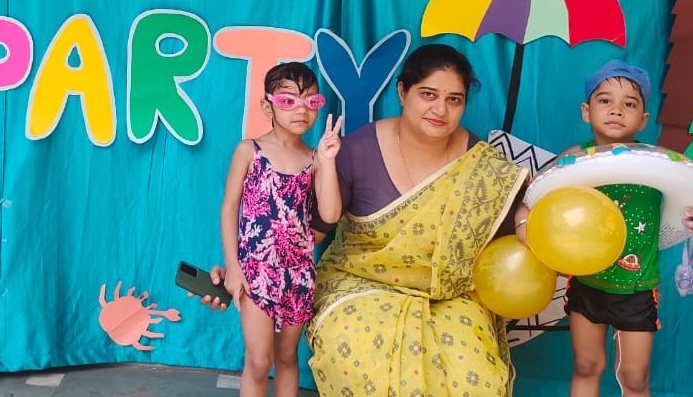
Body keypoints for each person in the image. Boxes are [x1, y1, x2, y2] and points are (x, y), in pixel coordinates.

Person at [203, 44, 528, 396]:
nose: (440, 110)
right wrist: (237, 268)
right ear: (402, 91)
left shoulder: (480, 165)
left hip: (447, 298)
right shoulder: (355, 150)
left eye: (454, 99)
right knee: (351, 357)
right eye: (428, 95)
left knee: (474, 376)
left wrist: (528, 218)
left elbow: (517, 207)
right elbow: (303, 230)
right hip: (359, 286)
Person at [534, 60, 693, 397]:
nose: (616, 110)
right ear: (586, 111)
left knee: (635, 377)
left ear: (643, 119)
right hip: (587, 284)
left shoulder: (658, 163)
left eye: (629, 104)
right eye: (605, 100)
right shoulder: (573, 159)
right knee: (586, 365)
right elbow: (536, 198)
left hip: (637, 289)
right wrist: (525, 226)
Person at [219, 62, 342, 397]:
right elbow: (229, 208)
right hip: (256, 272)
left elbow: (330, 214)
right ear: (267, 106)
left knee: (287, 357)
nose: (301, 109)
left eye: (311, 101)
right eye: (289, 101)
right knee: (260, 362)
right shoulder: (249, 151)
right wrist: (233, 266)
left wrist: (328, 161)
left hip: (298, 275)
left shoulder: (315, 160)